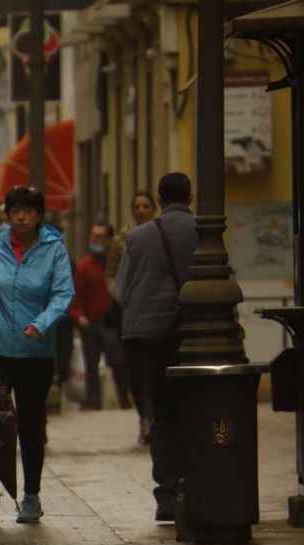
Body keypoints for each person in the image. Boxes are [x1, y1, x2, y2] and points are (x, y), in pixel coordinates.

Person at [0, 183, 75, 526]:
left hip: (36, 353)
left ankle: (31, 497)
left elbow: (62, 293)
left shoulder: (53, 249)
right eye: (15, 210)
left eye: (28, 210)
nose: (21, 216)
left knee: (30, 426)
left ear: (40, 215)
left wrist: (42, 323)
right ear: (7, 214)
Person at [115, 172, 195, 521]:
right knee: (196, 409)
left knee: (162, 414)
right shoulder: (206, 231)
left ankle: (166, 493)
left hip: (153, 337)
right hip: (197, 334)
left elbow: (121, 290)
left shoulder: (138, 237)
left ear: (159, 200)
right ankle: (196, 482)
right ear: (190, 198)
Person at [70, 221, 130, 412]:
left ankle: (123, 396)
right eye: (92, 236)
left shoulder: (116, 263)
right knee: (91, 364)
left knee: (118, 360)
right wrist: (79, 315)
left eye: (98, 236)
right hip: (90, 321)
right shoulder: (85, 266)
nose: (93, 240)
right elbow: (76, 295)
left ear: (108, 239)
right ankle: (94, 401)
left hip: (109, 321)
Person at [112, 190, 157, 443]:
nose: (140, 210)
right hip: (131, 313)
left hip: (150, 312)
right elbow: (113, 276)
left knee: (149, 373)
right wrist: (122, 297)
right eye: (136, 206)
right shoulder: (123, 239)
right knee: (137, 375)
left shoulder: (160, 235)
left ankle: (152, 420)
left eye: (145, 206)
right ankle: (145, 418)